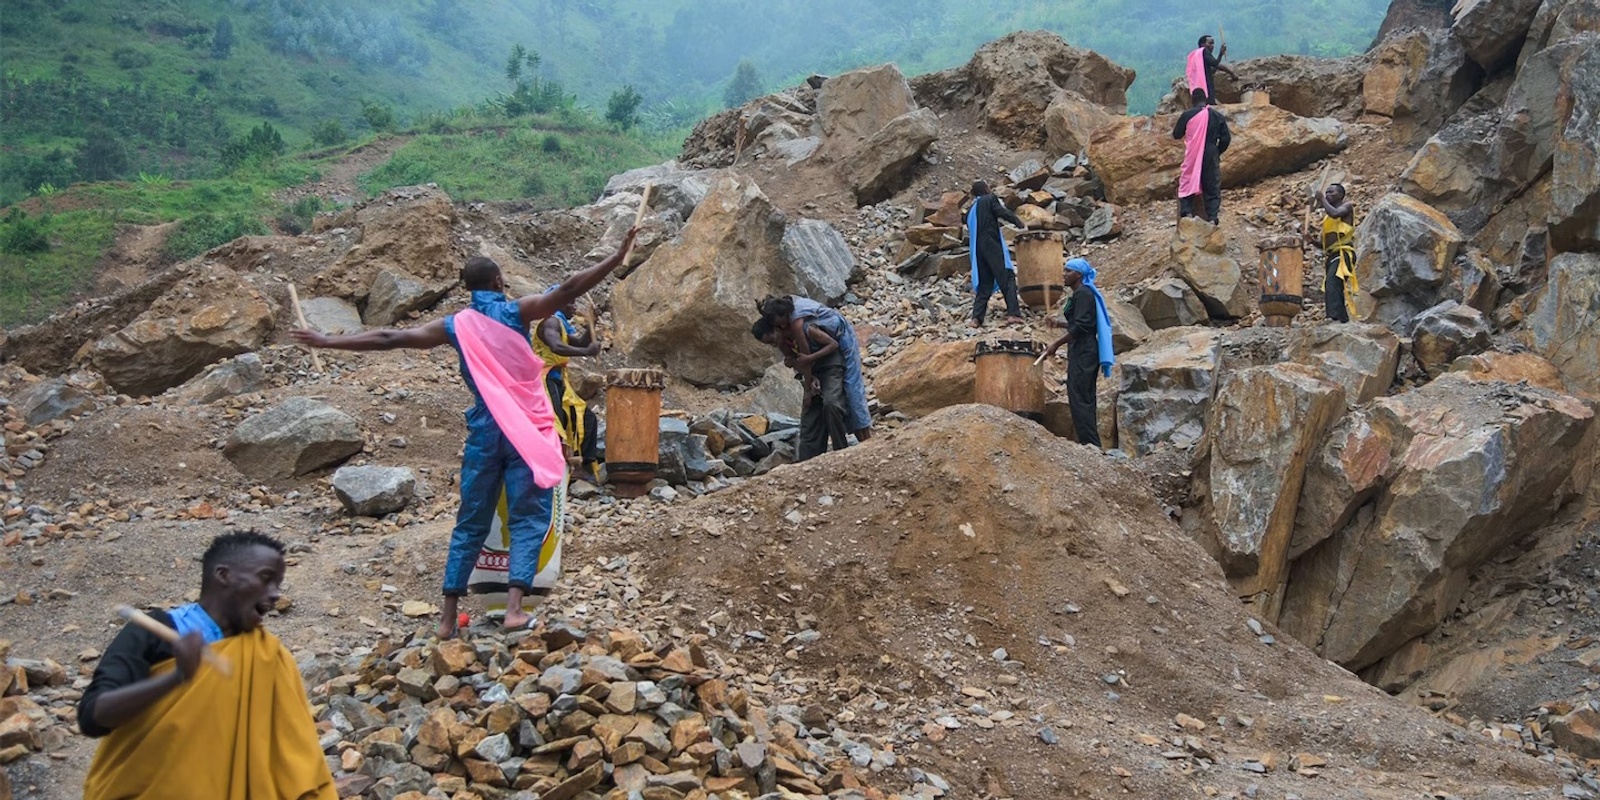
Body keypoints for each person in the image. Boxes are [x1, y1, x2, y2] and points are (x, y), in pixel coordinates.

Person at [291, 229, 637, 637]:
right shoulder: (515, 312)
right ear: (498, 283)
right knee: (528, 516)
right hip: (525, 428)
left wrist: (327, 341)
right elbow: (568, 288)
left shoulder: (455, 325)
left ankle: (446, 618)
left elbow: (390, 337)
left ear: (467, 289)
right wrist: (616, 257)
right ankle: (513, 611)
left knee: (470, 521)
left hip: (484, 431)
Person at [78, 531, 336, 800]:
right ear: (224, 575)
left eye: (278, 585)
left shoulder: (270, 658)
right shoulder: (157, 631)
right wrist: (176, 677)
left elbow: (297, 760)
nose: (274, 595)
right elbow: (92, 718)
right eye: (266, 579)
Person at [757, 295, 872, 443]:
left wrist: (808, 385)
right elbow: (800, 360)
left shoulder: (799, 325)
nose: (783, 327)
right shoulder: (787, 318)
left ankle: (866, 439)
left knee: (852, 386)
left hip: (842, 334)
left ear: (784, 315)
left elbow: (807, 357)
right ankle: (859, 440)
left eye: (781, 324)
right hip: (827, 349)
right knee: (841, 395)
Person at [1042, 258, 1115, 448]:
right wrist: (1059, 324)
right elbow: (1083, 322)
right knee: (1082, 396)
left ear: (1079, 275)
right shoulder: (1080, 294)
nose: (1064, 274)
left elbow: (1082, 327)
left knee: (1080, 397)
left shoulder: (1083, 294)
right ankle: (1090, 443)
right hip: (1083, 349)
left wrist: (1056, 344)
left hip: (1084, 350)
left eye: (1068, 271)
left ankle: (1090, 444)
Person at [752, 316, 848, 460]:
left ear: (777, 328)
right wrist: (810, 378)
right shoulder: (783, 343)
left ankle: (842, 452)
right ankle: (808, 462)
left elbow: (832, 345)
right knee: (809, 419)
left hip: (830, 366)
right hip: (812, 374)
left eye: (772, 340)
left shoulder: (806, 329)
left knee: (831, 404)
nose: (774, 345)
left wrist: (809, 360)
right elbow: (798, 364)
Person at [532, 293, 601, 477]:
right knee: (557, 423)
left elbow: (579, 342)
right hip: (544, 379)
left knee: (586, 418)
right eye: (570, 301)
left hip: (559, 380)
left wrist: (591, 323)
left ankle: (582, 466)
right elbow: (556, 346)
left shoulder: (561, 324)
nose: (574, 306)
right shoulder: (551, 322)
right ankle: (555, 469)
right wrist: (586, 351)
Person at [966, 180, 1027, 328]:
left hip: (977, 250)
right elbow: (1001, 212)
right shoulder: (989, 199)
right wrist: (1019, 223)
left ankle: (976, 319)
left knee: (985, 283)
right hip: (991, 244)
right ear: (986, 189)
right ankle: (1013, 314)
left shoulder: (971, 210)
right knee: (1007, 277)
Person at [1172, 88, 1232, 224]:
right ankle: (1212, 217)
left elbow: (1176, 134)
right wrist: (1217, 152)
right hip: (1211, 152)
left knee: (1187, 180)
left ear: (1193, 100)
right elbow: (1226, 139)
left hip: (1193, 152)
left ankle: (1187, 213)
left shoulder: (1187, 115)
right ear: (1205, 99)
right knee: (1212, 186)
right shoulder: (1216, 115)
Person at [1310, 183, 1358, 323]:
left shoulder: (1346, 207)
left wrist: (1321, 199)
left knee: (1332, 283)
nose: (1328, 194)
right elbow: (1326, 246)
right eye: (1326, 192)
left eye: (1331, 192)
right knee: (1335, 286)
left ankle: (1333, 317)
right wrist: (1312, 241)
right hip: (1333, 254)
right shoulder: (1328, 219)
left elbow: (1335, 213)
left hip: (1343, 253)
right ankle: (1342, 319)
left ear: (1341, 195)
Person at [1187, 34, 1237, 106]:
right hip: (1206, 86)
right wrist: (1231, 73)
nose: (1212, 46)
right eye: (1210, 43)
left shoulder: (1198, 56)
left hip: (1198, 88)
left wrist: (1220, 56)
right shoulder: (1204, 51)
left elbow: (1212, 69)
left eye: (1213, 43)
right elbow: (1215, 64)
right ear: (1203, 44)